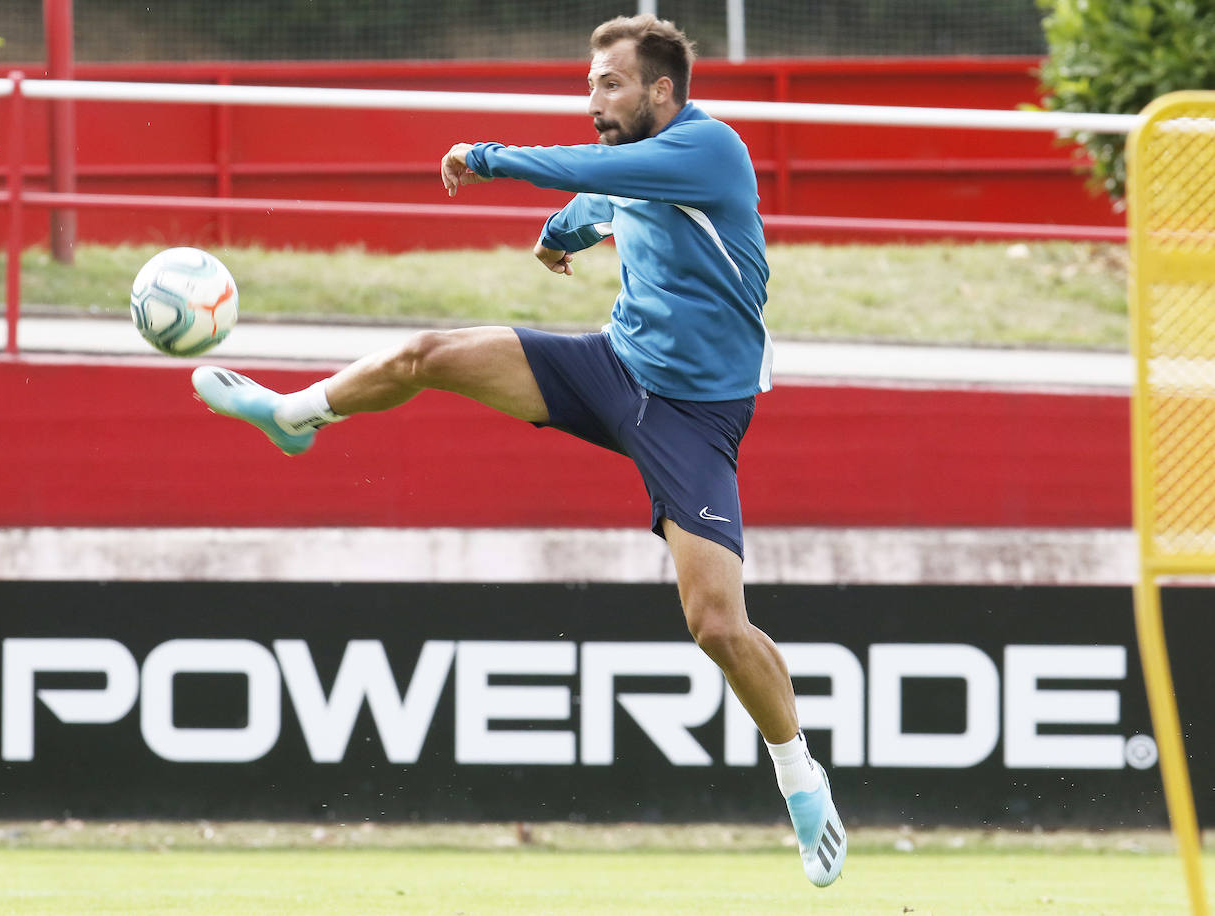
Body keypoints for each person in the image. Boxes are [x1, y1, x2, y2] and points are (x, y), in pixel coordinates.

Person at [191, 13, 845, 887]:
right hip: (612, 367)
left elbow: (602, 171)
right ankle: (295, 413)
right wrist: (562, 235)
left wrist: (489, 156)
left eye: (609, 85)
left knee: (717, 625)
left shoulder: (710, 149)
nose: (593, 101)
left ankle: (800, 779)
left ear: (660, 91)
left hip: (694, 417)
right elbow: (603, 198)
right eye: (588, 85)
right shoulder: (642, 165)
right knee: (430, 354)